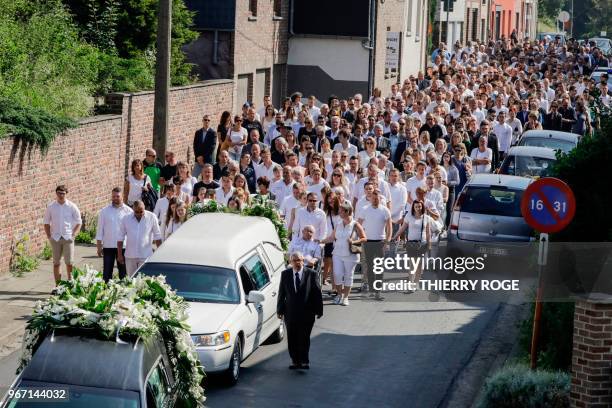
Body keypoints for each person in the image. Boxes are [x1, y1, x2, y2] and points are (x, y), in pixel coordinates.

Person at [277, 251, 323, 370]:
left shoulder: (311, 274)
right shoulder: (285, 274)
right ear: (290, 262)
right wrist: (279, 310)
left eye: (299, 260)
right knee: (292, 337)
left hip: (307, 312)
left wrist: (319, 310)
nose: (297, 263)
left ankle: (304, 361)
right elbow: (282, 293)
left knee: (304, 337)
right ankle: (295, 361)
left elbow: (317, 293)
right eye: (294, 261)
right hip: (290, 312)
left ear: (303, 261)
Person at [323, 202, 366, 306]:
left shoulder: (355, 224)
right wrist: (319, 241)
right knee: (337, 275)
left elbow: (364, 238)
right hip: (337, 253)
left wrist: (354, 242)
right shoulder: (338, 224)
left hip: (350, 255)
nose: (339, 212)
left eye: (341, 211)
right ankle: (339, 294)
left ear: (348, 212)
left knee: (348, 276)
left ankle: (345, 297)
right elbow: (331, 238)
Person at [357, 191, 392, 300]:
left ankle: (378, 291)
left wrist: (387, 241)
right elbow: (358, 224)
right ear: (370, 198)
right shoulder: (365, 209)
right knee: (370, 267)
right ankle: (372, 289)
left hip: (380, 242)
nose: (375, 200)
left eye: (377, 198)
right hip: (368, 242)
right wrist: (361, 238)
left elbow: (389, 227)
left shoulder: (385, 210)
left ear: (380, 199)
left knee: (379, 267)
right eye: (373, 198)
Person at [44, 185, 81, 284]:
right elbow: (46, 222)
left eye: (63, 193)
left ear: (66, 194)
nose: (61, 195)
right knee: (56, 263)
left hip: (68, 238)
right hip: (55, 238)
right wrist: (49, 236)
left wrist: (74, 235)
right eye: (59, 193)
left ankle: (70, 282)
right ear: (56, 193)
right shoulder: (51, 207)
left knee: (69, 263)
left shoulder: (72, 206)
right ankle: (58, 285)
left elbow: (79, 222)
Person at [96, 187, 133, 282]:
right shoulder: (104, 211)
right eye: (113, 196)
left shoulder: (129, 211)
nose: (115, 198)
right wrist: (99, 246)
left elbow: (131, 231)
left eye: (117, 196)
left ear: (122, 196)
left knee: (123, 274)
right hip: (108, 246)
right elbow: (100, 230)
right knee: (107, 274)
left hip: (124, 247)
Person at [392, 200, 433, 287]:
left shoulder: (426, 218)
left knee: (419, 265)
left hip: (422, 244)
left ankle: (416, 283)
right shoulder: (409, 216)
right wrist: (394, 237)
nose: (418, 208)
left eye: (419, 206)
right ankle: (411, 283)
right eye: (416, 207)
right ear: (413, 208)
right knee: (412, 265)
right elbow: (402, 228)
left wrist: (429, 245)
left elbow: (428, 232)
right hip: (411, 244)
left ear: (422, 207)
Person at [117, 200, 162, 277]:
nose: (139, 214)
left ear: (144, 208)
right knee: (131, 279)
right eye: (136, 212)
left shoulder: (152, 217)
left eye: (141, 211)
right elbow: (120, 237)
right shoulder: (126, 219)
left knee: (144, 279)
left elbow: (157, 236)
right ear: (133, 210)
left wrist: (160, 254)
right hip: (130, 255)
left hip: (145, 255)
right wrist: (119, 254)